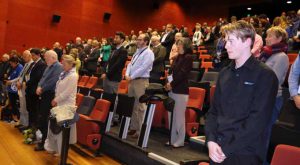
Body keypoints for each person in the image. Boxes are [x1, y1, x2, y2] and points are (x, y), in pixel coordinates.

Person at [205, 20, 278, 164]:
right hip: (217, 149)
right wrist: (211, 141)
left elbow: (257, 121)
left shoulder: (265, 75)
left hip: (245, 153)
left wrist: (226, 148)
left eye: (231, 41)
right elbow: (213, 111)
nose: (226, 46)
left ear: (247, 41)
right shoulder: (224, 73)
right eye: (226, 41)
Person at [44, 55, 78, 157]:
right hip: (60, 104)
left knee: (62, 131)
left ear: (70, 64)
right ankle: (56, 148)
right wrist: (56, 99)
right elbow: (58, 88)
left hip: (67, 105)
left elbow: (67, 92)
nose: (62, 65)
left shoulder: (73, 76)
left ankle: (62, 151)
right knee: (55, 128)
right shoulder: (64, 74)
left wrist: (56, 99)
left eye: (64, 64)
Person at [125, 33, 154, 138]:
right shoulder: (137, 52)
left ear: (146, 42)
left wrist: (131, 76)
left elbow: (144, 68)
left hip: (141, 81)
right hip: (132, 80)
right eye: (137, 39)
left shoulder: (149, 53)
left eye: (140, 39)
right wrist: (127, 74)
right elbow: (130, 64)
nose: (137, 41)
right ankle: (133, 127)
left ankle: (140, 130)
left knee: (141, 106)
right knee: (133, 105)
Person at [165, 38, 192, 147]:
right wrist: (168, 83)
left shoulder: (188, 58)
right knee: (171, 116)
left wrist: (171, 84)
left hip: (181, 91)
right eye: (177, 44)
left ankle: (180, 140)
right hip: (172, 89)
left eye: (180, 44)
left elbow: (182, 74)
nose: (177, 45)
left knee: (179, 117)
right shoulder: (177, 57)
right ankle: (172, 139)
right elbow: (170, 72)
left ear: (185, 45)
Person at [34, 50, 63, 151]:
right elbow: (42, 78)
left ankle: (45, 142)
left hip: (50, 95)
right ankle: (43, 140)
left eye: (46, 57)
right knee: (42, 117)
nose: (45, 58)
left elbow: (54, 81)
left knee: (45, 118)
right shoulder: (48, 66)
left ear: (53, 57)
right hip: (44, 94)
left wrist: (42, 88)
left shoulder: (59, 67)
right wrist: (39, 86)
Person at [25, 48, 47, 129]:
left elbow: (37, 77)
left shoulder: (42, 64)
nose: (32, 57)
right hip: (29, 88)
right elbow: (28, 74)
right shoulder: (32, 63)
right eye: (31, 55)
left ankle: (33, 127)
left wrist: (27, 83)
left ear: (38, 55)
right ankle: (30, 125)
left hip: (34, 90)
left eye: (33, 55)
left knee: (34, 109)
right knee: (29, 108)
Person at [13, 50, 33, 130]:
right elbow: (21, 75)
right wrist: (18, 82)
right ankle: (22, 122)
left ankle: (25, 124)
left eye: (25, 56)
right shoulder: (26, 64)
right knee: (21, 107)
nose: (23, 58)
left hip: (25, 88)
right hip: (20, 88)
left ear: (30, 56)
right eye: (23, 56)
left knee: (25, 107)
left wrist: (21, 83)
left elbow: (29, 77)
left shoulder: (32, 65)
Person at [6, 56, 23, 122]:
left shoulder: (20, 67)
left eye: (11, 63)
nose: (11, 64)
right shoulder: (13, 67)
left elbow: (20, 77)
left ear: (15, 62)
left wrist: (11, 82)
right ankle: (13, 117)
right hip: (10, 89)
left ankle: (17, 118)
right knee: (12, 104)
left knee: (15, 104)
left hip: (15, 90)